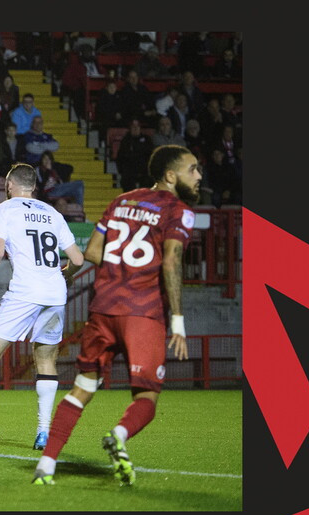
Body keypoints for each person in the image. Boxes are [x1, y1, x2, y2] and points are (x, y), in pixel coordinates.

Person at [32, 144, 201, 486]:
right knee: (147, 397)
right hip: (142, 313)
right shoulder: (178, 209)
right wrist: (178, 320)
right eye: (193, 169)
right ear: (171, 175)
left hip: (103, 309)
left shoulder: (121, 201)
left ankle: (46, 466)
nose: (199, 176)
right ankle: (119, 435)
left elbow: (93, 252)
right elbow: (171, 261)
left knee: (81, 388)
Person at [0, 163, 84, 450]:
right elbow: (78, 259)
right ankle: (44, 432)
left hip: (25, 292)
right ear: (34, 186)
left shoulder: (4, 209)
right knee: (46, 360)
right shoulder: (53, 213)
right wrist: (66, 277)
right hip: (54, 294)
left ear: (10, 185)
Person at [38, 150, 85, 214]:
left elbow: (69, 168)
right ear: (41, 160)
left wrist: (52, 170)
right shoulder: (39, 170)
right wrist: (48, 171)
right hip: (48, 191)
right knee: (79, 183)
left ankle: (79, 210)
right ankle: (80, 210)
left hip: (58, 189)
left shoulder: (54, 169)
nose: (47, 161)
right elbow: (42, 186)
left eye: (48, 159)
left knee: (79, 187)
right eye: (45, 159)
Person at [116, 118, 155, 191]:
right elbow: (121, 157)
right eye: (133, 126)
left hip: (144, 169)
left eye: (137, 126)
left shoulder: (147, 139)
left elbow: (151, 154)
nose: (135, 128)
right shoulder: (126, 141)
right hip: (130, 170)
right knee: (127, 181)